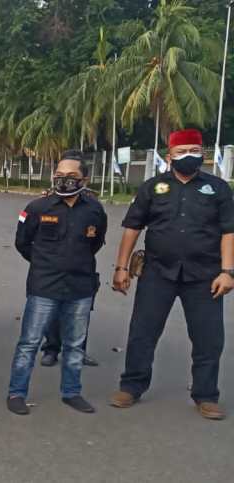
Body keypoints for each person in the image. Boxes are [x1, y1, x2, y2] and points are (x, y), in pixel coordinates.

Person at [110, 128, 234, 420]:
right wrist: (121, 267)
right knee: (142, 332)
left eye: (194, 150)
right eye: (181, 151)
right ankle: (132, 386)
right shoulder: (152, 187)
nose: (188, 156)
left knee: (208, 339)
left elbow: (229, 231)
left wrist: (228, 271)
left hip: (205, 275)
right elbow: (132, 228)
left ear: (202, 154)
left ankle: (206, 395)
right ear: (170, 156)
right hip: (157, 272)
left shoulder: (218, 188)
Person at [7, 151, 106, 416]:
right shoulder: (37, 208)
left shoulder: (95, 209)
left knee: (75, 344)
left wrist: (73, 262)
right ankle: (17, 393)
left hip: (80, 286)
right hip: (44, 286)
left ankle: (71, 392)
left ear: (84, 179)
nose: (64, 180)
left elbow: (95, 242)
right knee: (29, 342)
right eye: (59, 175)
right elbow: (22, 242)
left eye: (71, 176)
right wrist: (45, 262)